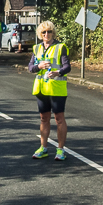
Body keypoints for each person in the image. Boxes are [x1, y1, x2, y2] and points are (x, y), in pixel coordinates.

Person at [28, 20, 70, 160]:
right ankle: (43, 147)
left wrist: (58, 72)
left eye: (49, 31)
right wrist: (39, 66)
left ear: (53, 33)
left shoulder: (60, 47)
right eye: (44, 32)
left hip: (57, 89)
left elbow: (67, 67)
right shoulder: (36, 48)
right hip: (41, 89)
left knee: (59, 119)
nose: (47, 34)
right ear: (40, 34)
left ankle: (60, 149)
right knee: (44, 118)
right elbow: (30, 68)